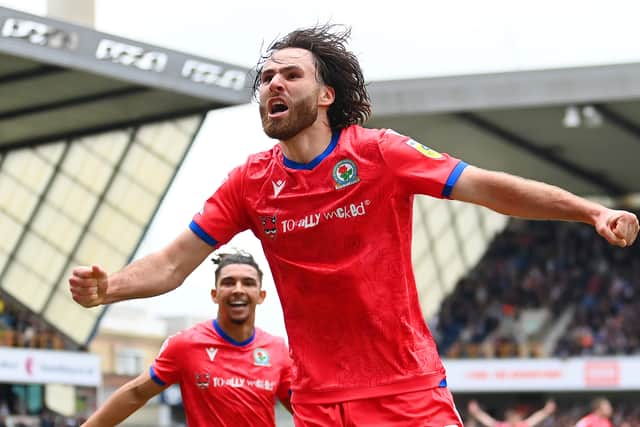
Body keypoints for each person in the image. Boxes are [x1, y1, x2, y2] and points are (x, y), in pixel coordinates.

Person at [69, 24, 640, 426]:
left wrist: (591, 210)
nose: (272, 83)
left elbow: (489, 188)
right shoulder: (249, 182)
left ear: (325, 95)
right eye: (265, 76)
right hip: (320, 404)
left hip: (406, 392)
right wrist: (110, 287)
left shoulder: (380, 154)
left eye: (289, 74)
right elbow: (172, 264)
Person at [81, 252, 292, 427]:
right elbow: (136, 393)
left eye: (248, 283)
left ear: (261, 295)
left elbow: (304, 408)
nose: (238, 290)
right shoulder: (186, 345)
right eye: (228, 282)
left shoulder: (277, 349)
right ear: (215, 294)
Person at [467, 399, 556, 427]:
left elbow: (536, 417)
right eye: (512, 416)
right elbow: (488, 421)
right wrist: (476, 412)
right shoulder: (502, 426)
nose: (514, 418)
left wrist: (546, 411)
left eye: (516, 416)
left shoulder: (523, 425)